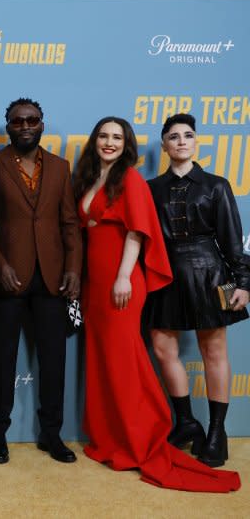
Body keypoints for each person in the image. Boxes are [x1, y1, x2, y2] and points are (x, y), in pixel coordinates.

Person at [73, 116, 240, 492]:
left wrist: (242, 282)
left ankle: (207, 432)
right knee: (126, 356)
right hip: (110, 282)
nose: (110, 142)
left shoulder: (142, 179)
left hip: (174, 277)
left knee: (204, 349)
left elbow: (137, 230)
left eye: (118, 137)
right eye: (103, 135)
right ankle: (173, 425)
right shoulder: (105, 180)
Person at [145, 113, 250, 467]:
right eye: (173, 137)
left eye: (187, 135)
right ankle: (187, 422)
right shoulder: (150, 189)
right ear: (164, 145)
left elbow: (233, 241)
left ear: (196, 142)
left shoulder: (216, 185)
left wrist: (244, 283)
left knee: (214, 350)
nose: (181, 141)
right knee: (162, 346)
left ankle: (217, 432)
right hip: (165, 275)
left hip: (210, 274)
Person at [0, 98, 81, 465]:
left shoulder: (60, 167)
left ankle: (51, 435)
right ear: (8, 125)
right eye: (17, 120)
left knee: (54, 361)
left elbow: (70, 223)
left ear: (42, 124)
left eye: (32, 120)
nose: (25, 125)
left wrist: (73, 268)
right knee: (1, 361)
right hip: (7, 279)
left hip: (53, 278)